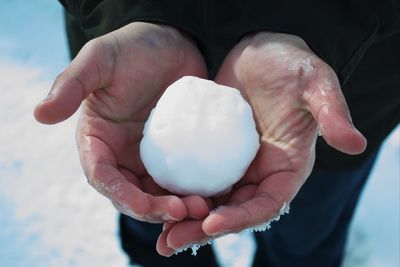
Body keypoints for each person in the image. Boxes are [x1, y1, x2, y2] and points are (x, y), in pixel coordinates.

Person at [34, 1, 400, 266]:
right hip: (134, 93)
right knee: (155, 224)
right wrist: (128, 9)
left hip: (324, 100)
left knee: (305, 235)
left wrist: (315, 23)